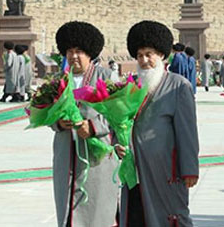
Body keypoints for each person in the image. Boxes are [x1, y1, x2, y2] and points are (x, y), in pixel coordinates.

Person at [116, 20, 199, 226]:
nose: (144, 60)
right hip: (134, 169)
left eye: (149, 54)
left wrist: (190, 169)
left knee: (171, 217)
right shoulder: (131, 86)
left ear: (161, 55)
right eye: (140, 55)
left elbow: (187, 133)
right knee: (137, 216)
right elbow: (119, 123)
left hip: (166, 171)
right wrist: (117, 145)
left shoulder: (179, 86)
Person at [52, 21, 119, 226]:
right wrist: (58, 123)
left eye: (79, 51)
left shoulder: (106, 78)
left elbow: (119, 114)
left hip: (96, 160)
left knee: (99, 213)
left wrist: (94, 127)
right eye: (70, 51)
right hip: (66, 157)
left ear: (90, 53)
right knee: (68, 214)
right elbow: (46, 112)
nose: (74, 56)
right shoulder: (58, 80)